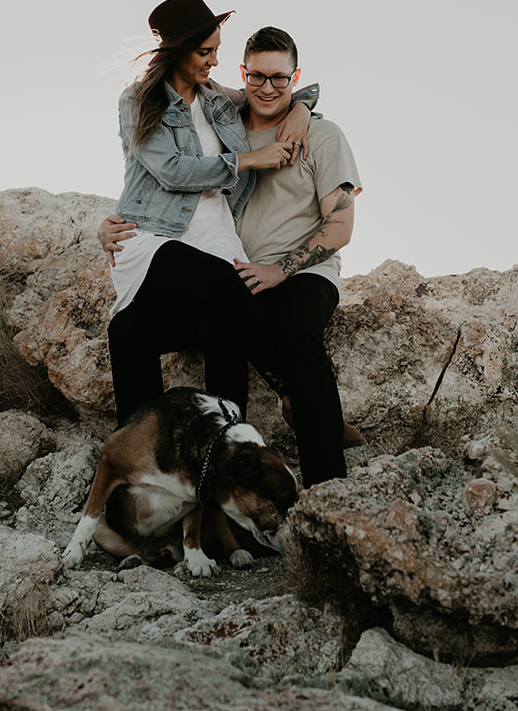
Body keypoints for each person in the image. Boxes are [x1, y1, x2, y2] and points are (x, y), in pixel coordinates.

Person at [103, 25, 361, 487]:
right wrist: (113, 222)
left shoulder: (322, 135)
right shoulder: (225, 124)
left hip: (301, 274)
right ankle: (149, 475)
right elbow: (162, 167)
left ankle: (328, 487)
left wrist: (279, 270)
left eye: (280, 79)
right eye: (257, 77)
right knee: (130, 329)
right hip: (231, 275)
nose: (268, 88)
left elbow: (341, 226)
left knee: (295, 334)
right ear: (243, 76)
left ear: (294, 77)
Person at [105, 0, 314, 427]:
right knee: (223, 284)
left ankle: (223, 445)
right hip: (152, 235)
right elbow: (172, 172)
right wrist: (249, 159)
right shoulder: (139, 101)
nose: (214, 61)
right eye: (206, 52)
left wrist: (301, 111)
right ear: (177, 51)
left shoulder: (218, 99)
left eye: (217, 50)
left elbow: (275, 91)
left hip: (214, 235)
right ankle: (292, 388)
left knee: (136, 332)